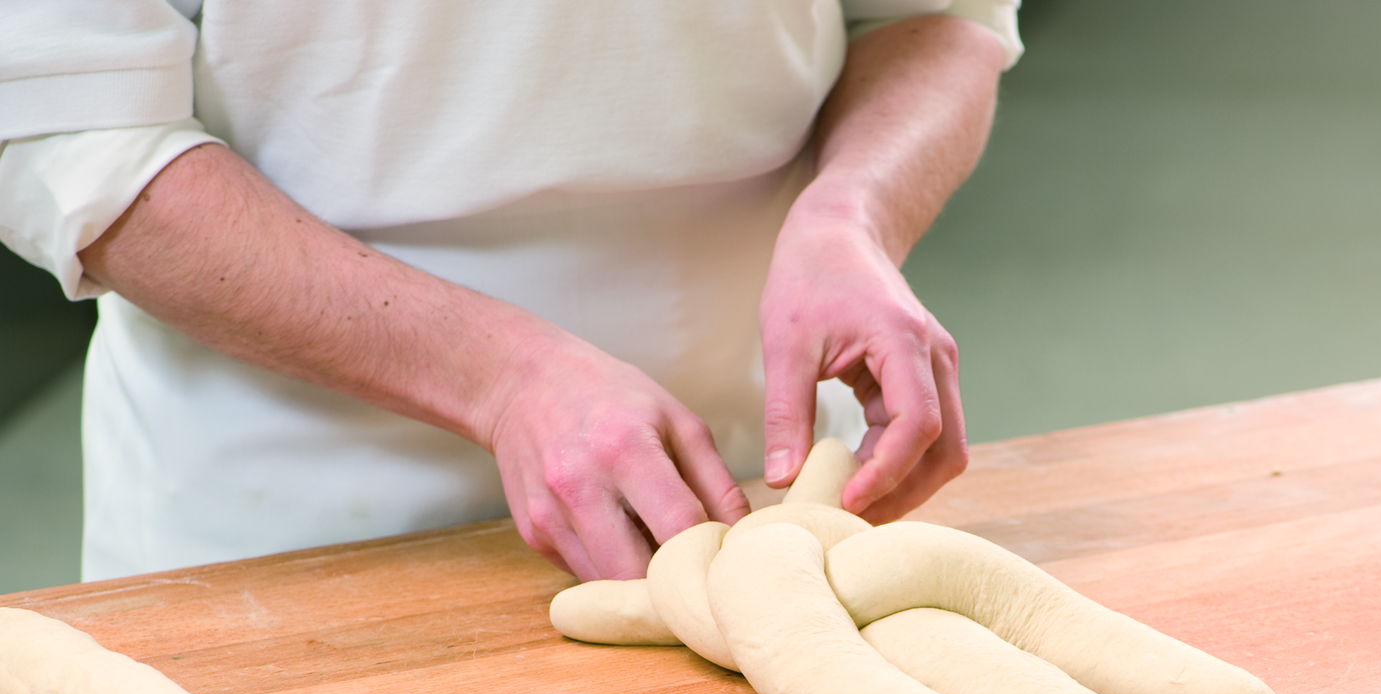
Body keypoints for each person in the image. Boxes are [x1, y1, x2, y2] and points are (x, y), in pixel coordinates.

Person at [0, 1, 1020, 581]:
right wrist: (501, 378)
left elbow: (934, 17)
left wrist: (854, 212)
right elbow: (76, 133)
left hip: (760, 501)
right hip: (299, 537)